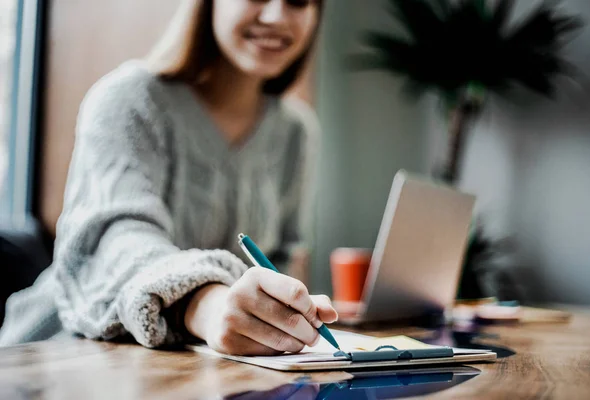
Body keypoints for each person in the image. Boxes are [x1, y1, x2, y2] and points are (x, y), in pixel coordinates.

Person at [0, 0, 338, 355]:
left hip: (210, 364)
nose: (276, 17)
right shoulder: (129, 99)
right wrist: (206, 306)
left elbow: (280, 257)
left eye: (299, 1)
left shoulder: (297, 132)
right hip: (64, 350)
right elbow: (118, 238)